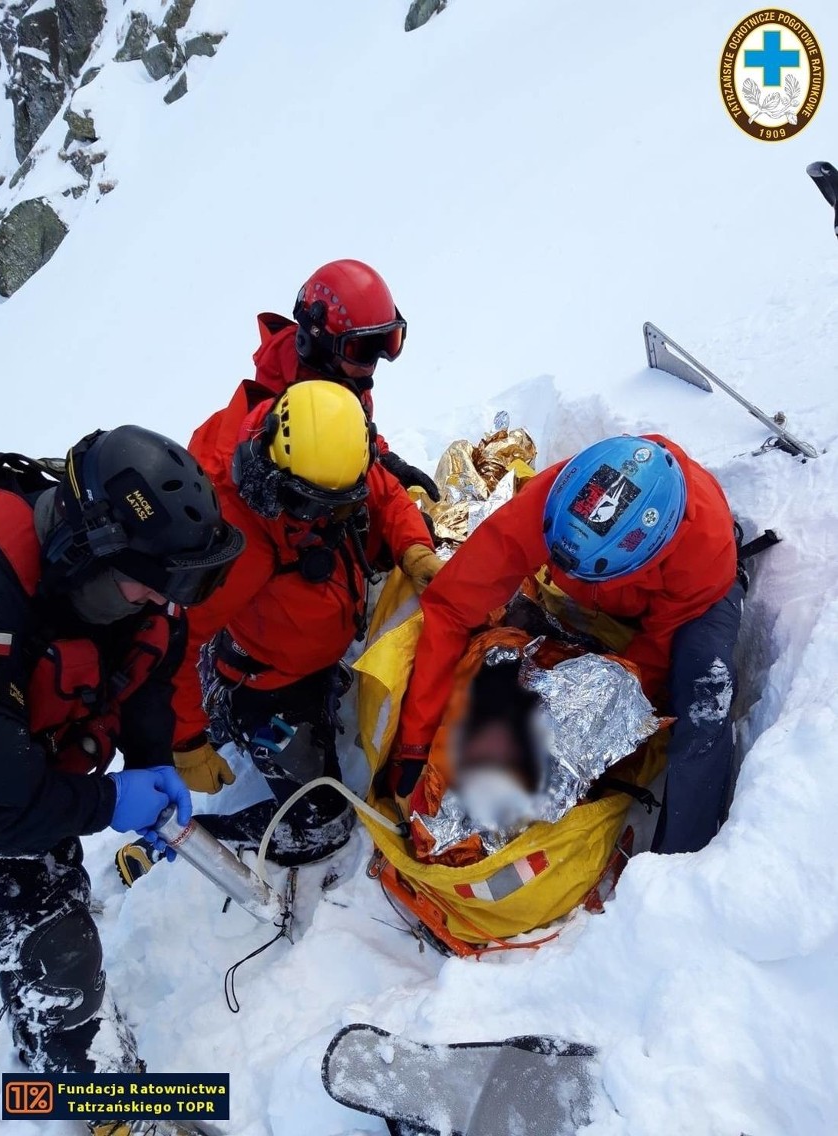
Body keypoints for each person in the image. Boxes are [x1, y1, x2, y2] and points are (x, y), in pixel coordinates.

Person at [0, 426, 243, 1132]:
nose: (172, 599)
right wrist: (105, 801)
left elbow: (149, 676)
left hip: (25, 763)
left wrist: (152, 760)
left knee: (53, 875)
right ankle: (68, 1084)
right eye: (158, 583)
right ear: (89, 557)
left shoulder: (133, 597)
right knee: (53, 934)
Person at [118, 380, 442, 877]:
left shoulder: (328, 462)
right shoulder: (234, 542)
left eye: (341, 504)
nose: (334, 517)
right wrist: (184, 743)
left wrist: (413, 546)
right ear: (279, 480)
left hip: (312, 649)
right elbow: (174, 641)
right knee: (321, 824)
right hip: (268, 683)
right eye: (320, 506)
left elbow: (385, 493)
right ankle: (182, 844)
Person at [394, 434, 743, 855]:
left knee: (705, 696)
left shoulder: (705, 552)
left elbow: (649, 661)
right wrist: (414, 744)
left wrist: (574, 735)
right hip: (603, 588)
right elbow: (452, 606)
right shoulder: (556, 503)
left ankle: (682, 863)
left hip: (690, 601)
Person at [216, 258, 440, 502]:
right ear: (316, 344)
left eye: (387, 342)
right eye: (361, 349)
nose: (374, 362)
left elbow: (351, 436)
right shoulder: (262, 428)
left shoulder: (341, 381)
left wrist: (387, 461)